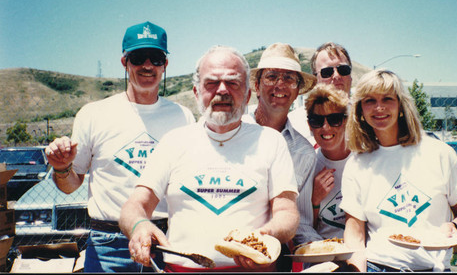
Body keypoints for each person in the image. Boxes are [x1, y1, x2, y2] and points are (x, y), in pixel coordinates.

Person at [119, 45, 300, 272]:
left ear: (247, 95)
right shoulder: (173, 142)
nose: (222, 91)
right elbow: (134, 205)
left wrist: (264, 236)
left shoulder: (271, 142)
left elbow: (287, 213)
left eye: (233, 83)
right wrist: (139, 225)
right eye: (211, 83)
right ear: (196, 92)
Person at [45, 21, 195, 272]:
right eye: (138, 57)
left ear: (165, 64)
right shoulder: (94, 114)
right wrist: (62, 168)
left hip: (166, 243)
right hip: (109, 246)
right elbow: (71, 185)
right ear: (124, 62)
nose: (147, 65)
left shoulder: (183, 116)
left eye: (156, 58)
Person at [340, 69, 457, 272]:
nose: (379, 107)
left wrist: (453, 227)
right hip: (379, 266)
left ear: (401, 106)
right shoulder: (356, 165)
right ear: (360, 110)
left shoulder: (439, 153)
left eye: (387, 99)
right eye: (369, 100)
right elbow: (355, 234)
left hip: (435, 268)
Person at [243, 43, 317, 268]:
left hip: (275, 257)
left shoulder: (304, 152)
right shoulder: (232, 133)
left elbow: (301, 221)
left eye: (289, 78)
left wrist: (320, 249)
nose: (280, 85)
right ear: (256, 86)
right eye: (271, 76)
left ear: (297, 91)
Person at [304, 84, 350, 240]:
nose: (325, 127)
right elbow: (304, 230)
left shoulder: (364, 161)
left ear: (345, 121)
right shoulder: (307, 166)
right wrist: (314, 200)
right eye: (317, 120)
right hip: (323, 253)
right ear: (310, 125)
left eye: (334, 119)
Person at [288, 42, 353, 146]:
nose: (336, 76)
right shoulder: (294, 123)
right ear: (315, 79)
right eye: (327, 72)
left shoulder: (368, 118)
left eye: (343, 70)